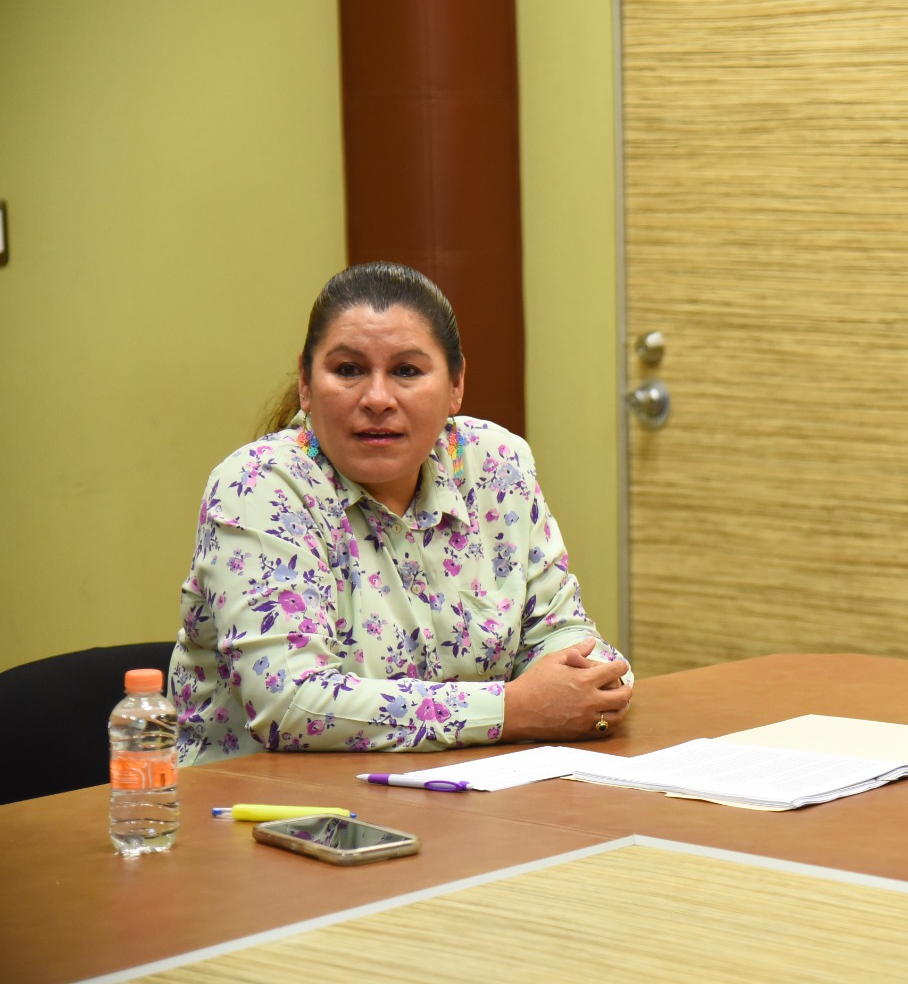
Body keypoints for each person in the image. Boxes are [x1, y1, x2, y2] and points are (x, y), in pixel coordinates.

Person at [170, 262, 632, 765]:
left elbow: (559, 628)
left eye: (407, 371)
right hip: (263, 801)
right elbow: (289, 703)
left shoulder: (495, 463)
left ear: (456, 385)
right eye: (348, 370)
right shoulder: (260, 486)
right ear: (305, 382)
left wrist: (586, 681)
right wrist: (515, 708)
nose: (377, 399)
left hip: (453, 788)